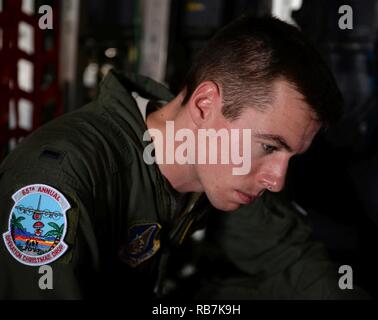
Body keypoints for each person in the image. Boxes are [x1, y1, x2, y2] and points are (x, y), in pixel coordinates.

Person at [0, 15, 347, 299]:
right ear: (204, 104)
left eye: (290, 156)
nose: (276, 179)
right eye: (269, 147)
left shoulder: (216, 166)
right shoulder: (56, 183)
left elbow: (290, 261)